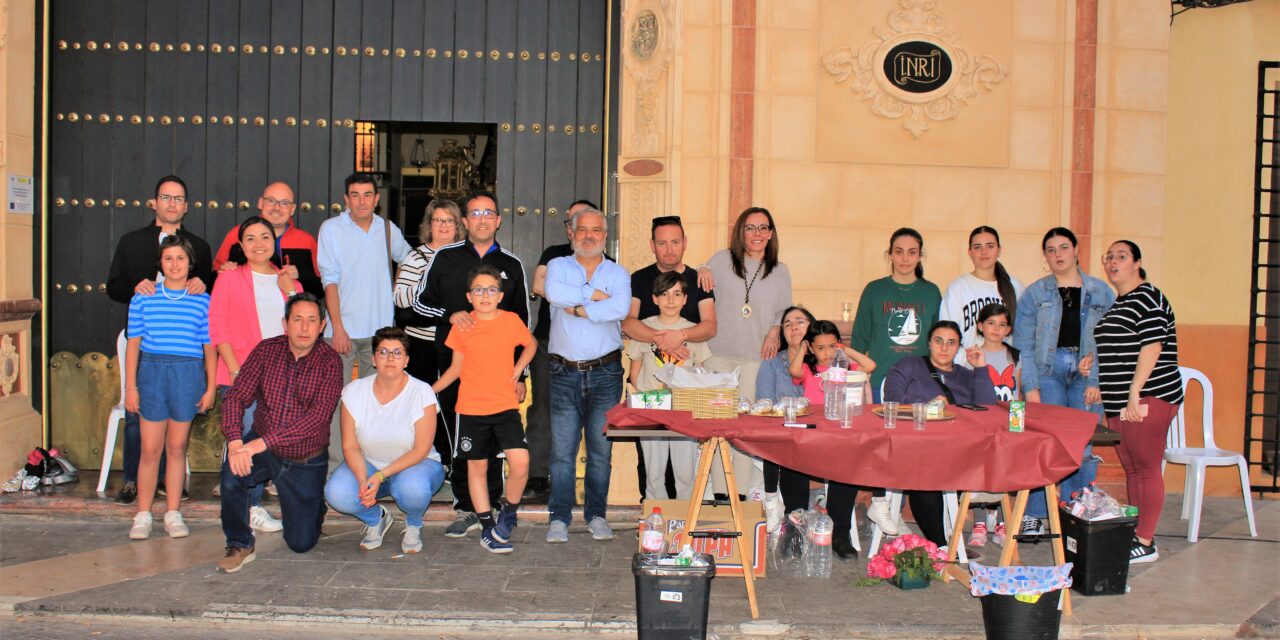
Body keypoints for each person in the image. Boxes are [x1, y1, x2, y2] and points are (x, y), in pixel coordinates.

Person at [414, 192, 530, 538]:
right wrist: (450, 315)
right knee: (463, 442)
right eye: (474, 213)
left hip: (498, 377)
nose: (481, 219)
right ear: (465, 220)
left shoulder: (512, 265)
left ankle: (495, 507)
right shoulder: (444, 258)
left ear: (498, 220)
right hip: (454, 369)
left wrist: (520, 373)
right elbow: (418, 303)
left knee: (498, 443)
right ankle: (468, 508)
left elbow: (522, 321)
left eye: (488, 213)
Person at [105, 175, 214, 505]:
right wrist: (136, 286)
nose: (172, 203)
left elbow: (209, 286)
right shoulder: (131, 241)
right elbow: (115, 286)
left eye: (179, 198)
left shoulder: (199, 246)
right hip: (143, 337)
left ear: (186, 206)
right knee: (138, 413)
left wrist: (200, 283)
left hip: (183, 342)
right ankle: (131, 479)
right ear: (155, 202)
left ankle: (171, 484)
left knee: (176, 425)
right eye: (166, 197)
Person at [217, 293, 343, 573]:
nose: (304, 327)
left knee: (301, 543)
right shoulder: (266, 350)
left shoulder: (330, 362)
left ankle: (313, 507)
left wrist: (259, 444)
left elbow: (317, 419)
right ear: (285, 323)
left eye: (312, 321)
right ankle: (239, 543)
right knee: (231, 473)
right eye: (297, 319)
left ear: (322, 325)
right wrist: (236, 441)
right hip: (263, 448)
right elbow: (236, 396)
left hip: (305, 458)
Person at [1011, 227, 1115, 535]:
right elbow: (1024, 345)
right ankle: (1036, 513)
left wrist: (1096, 377)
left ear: (1076, 250)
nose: (1058, 255)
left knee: (1082, 442)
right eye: (1051, 250)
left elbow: (1110, 340)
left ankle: (1079, 512)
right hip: (1048, 370)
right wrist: (1031, 388)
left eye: (1063, 247)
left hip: (1087, 373)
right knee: (1046, 441)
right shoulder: (1035, 293)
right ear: (1045, 256)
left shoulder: (1101, 291)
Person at [1085, 240, 1182, 564]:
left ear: (1137, 262)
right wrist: (1092, 366)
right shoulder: (1120, 303)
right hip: (1119, 402)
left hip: (1147, 397)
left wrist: (1135, 393)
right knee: (1132, 468)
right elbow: (1116, 348)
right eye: (1109, 257)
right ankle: (1137, 535)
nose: (1113, 262)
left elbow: (1152, 346)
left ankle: (1145, 540)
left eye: (1121, 256)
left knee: (1146, 467)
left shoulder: (1148, 296)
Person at [209, 216, 306, 533]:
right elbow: (218, 327)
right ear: (240, 245)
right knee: (245, 444)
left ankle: (253, 503)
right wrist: (237, 371)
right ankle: (248, 508)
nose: (259, 243)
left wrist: (290, 290)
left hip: (279, 378)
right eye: (250, 238)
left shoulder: (287, 279)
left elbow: (303, 325)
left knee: (271, 444)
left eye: (265, 236)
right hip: (241, 376)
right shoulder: (229, 278)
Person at [433, 265, 538, 553]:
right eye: (478, 290)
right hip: (470, 409)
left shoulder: (510, 320)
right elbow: (455, 369)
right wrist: (428, 392)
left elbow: (531, 344)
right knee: (476, 467)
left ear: (500, 295)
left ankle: (509, 512)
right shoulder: (463, 326)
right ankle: (487, 526)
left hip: (504, 407)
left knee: (520, 463)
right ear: (469, 296)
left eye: (491, 289)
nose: (485, 295)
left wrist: (519, 369)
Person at [544, 207, 630, 543]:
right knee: (562, 451)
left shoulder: (619, 273)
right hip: (563, 371)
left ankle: (597, 515)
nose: (589, 236)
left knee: (600, 451)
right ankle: (559, 518)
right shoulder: (557, 267)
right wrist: (594, 297)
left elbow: (620, 308)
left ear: (605, 237)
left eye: (596, 230)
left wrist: (579, 309)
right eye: (583, 230)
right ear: (572, 233)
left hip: (605, 373)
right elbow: (554, 294)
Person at [123, 236, 216, 540]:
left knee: (176, 448)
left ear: (191, 264)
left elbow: (208, 347)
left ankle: (173, 512)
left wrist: (210, 386)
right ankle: (143, 513)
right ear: (160, 264)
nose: (175, 264)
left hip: (187, 375)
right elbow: (133, 346)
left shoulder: (202, 300)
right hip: (152, 374)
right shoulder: (143, 298)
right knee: (150, 450)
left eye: (180, 258)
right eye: (168, 259)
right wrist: (131, 387)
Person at [318, 173, 413, 469]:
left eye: (367, 194)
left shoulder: (387, 229)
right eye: (355, 195)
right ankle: (337, 467)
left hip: (381, 335)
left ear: (376, 198)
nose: (362, 200)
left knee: (378, 403)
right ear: (346, 199)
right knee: (338, 403)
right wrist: (338, 326)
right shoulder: (331, 229)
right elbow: (329, 282)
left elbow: (409, 260)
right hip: (342, 333)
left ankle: (374, 464)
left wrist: (395, 288)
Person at [696, 207, 792, 500]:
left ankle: (739, 495)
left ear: (771, 233)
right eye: (751, 228)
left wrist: (775, 331)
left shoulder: (780, 270)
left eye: (763, 228)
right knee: (717, 428)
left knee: (743, 427)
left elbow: (784, 312)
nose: (757, 234)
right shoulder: (722, 260)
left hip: (754, 359)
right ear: (741, 232)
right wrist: (700, 267)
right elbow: (699, 281)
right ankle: (720, 494)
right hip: (717, 355)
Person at [850, 227, 941, 535]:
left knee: (911, 450)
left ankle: (896, 511)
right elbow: (861, 338)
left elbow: (935, 343)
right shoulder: (874, 290)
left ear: (920, 255)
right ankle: (880, 505)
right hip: (879, 382)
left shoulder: (931, 293)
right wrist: (861, 381)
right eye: (898, 252)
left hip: (917, 384)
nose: (905, 258)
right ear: (889, 255)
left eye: (912, 252)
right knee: (883, 447)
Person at [324, 326, 445, 555]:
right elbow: (350, 445)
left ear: (407, 360)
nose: (390, 358)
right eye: (383, 352)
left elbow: (421, 449)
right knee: (337, 492)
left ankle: (413, 522)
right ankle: (375, 519)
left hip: (416, 466)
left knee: (413, 489)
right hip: (369, 464)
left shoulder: (421, 392)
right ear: (373, 358)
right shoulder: (353, 391)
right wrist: (363, 479)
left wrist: (380, 476)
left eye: (397, 353)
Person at [882, 320, 997, 549]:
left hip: (960, 449)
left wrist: (981, 368)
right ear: (929, 343)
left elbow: (988, 408)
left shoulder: (965, 375)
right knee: (924, 471)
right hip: (916, 445)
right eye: (939, 341)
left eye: (951, 343)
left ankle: (942, 541)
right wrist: (926, 406)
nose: (944, 348)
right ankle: (940, 545)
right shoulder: (909, 365)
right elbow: (892, 397)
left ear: (958, 348)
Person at [624, 215, 716, 498]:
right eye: (662, 243)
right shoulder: (639, 279)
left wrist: (682, 336)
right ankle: (653, 520)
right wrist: (661, 340)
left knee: (685, 465)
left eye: (675, 242)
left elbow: (710, 326)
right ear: (652, 245)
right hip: (651, 395)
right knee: (651, 465)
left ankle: (682, 524)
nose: (669, 249)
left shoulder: (699, 279)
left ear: (685, 243)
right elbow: (628, 323)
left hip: (685, 397)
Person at [527, 200, 597, 501]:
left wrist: (566, 295)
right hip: (547, 343)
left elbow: (611, 297)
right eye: (572, 220)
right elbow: (541, 286)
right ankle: (537, 476)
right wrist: (585, 298)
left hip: (587, 348)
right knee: (542, 408)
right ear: (568, 228)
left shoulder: (602, 259)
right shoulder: (553, 253)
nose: (577, 226)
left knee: (579, 411)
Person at [787, 320, 874, 560]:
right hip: (812, 435)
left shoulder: (845, 367)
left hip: (840, 435)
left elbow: (870, 365)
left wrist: (845, 351)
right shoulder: (808, 369)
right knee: (791, 464)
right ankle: (795, 531)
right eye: (821, 348)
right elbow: (794, 371)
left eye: (831, 347)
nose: (826, 353)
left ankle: (840, 534)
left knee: (846, 470)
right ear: (812, 349)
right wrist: (803, 350)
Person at [392, 198, 465, 474]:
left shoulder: (464, 257)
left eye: (449, 220)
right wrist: (428, 287)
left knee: (451, 402)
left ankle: (452, 461)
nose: (443, 225)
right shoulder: (416, 256)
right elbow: (399, 298)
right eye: (438, 220)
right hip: (421, 342)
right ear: (429, 225)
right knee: (423, 402)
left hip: (454, 344)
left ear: (458, 226)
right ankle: (425, 459)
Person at [962, 303, 1021, 548]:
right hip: (984, 422)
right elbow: (969, 391)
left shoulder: (1015, 355)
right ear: (979, 325)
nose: (996, 329)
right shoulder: (972, 356)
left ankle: (998, 520)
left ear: (1008, 329)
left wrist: (1019, 424)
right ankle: (978, 521)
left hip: (1011, 421)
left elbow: (1021, 390)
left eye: (1002, 324)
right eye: (991, 323)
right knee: (981, 469)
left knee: (1005, 470)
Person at [755, 306, 816, 533]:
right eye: (787, 323)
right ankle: (793, 523)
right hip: (784, 433)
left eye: (800, 321)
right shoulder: (773, 362)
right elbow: (764, 400)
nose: (793, 327)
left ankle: (795, 523)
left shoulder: (822, 359)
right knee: (788, 444)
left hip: (819, 432)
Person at [212, 182, 323, 298]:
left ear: (292, 209)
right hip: (245, 309)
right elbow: (214, 280)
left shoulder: (306, 241)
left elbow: (320, 289)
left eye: (284, 203)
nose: (276, 208)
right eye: (271, 201)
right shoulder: (237, 234)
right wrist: (224, 270)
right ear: (260, 203)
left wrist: (300, 275)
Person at [940, 226, 1024, 363]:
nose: (984, 252)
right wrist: (965, 363)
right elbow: (947, 334)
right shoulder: (958, 288)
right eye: (977, 247)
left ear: (999, 250)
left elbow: (1024, 335)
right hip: (967, 372)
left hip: (1004, 371)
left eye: (990, 246)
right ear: (969, 252)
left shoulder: (1015, 287)